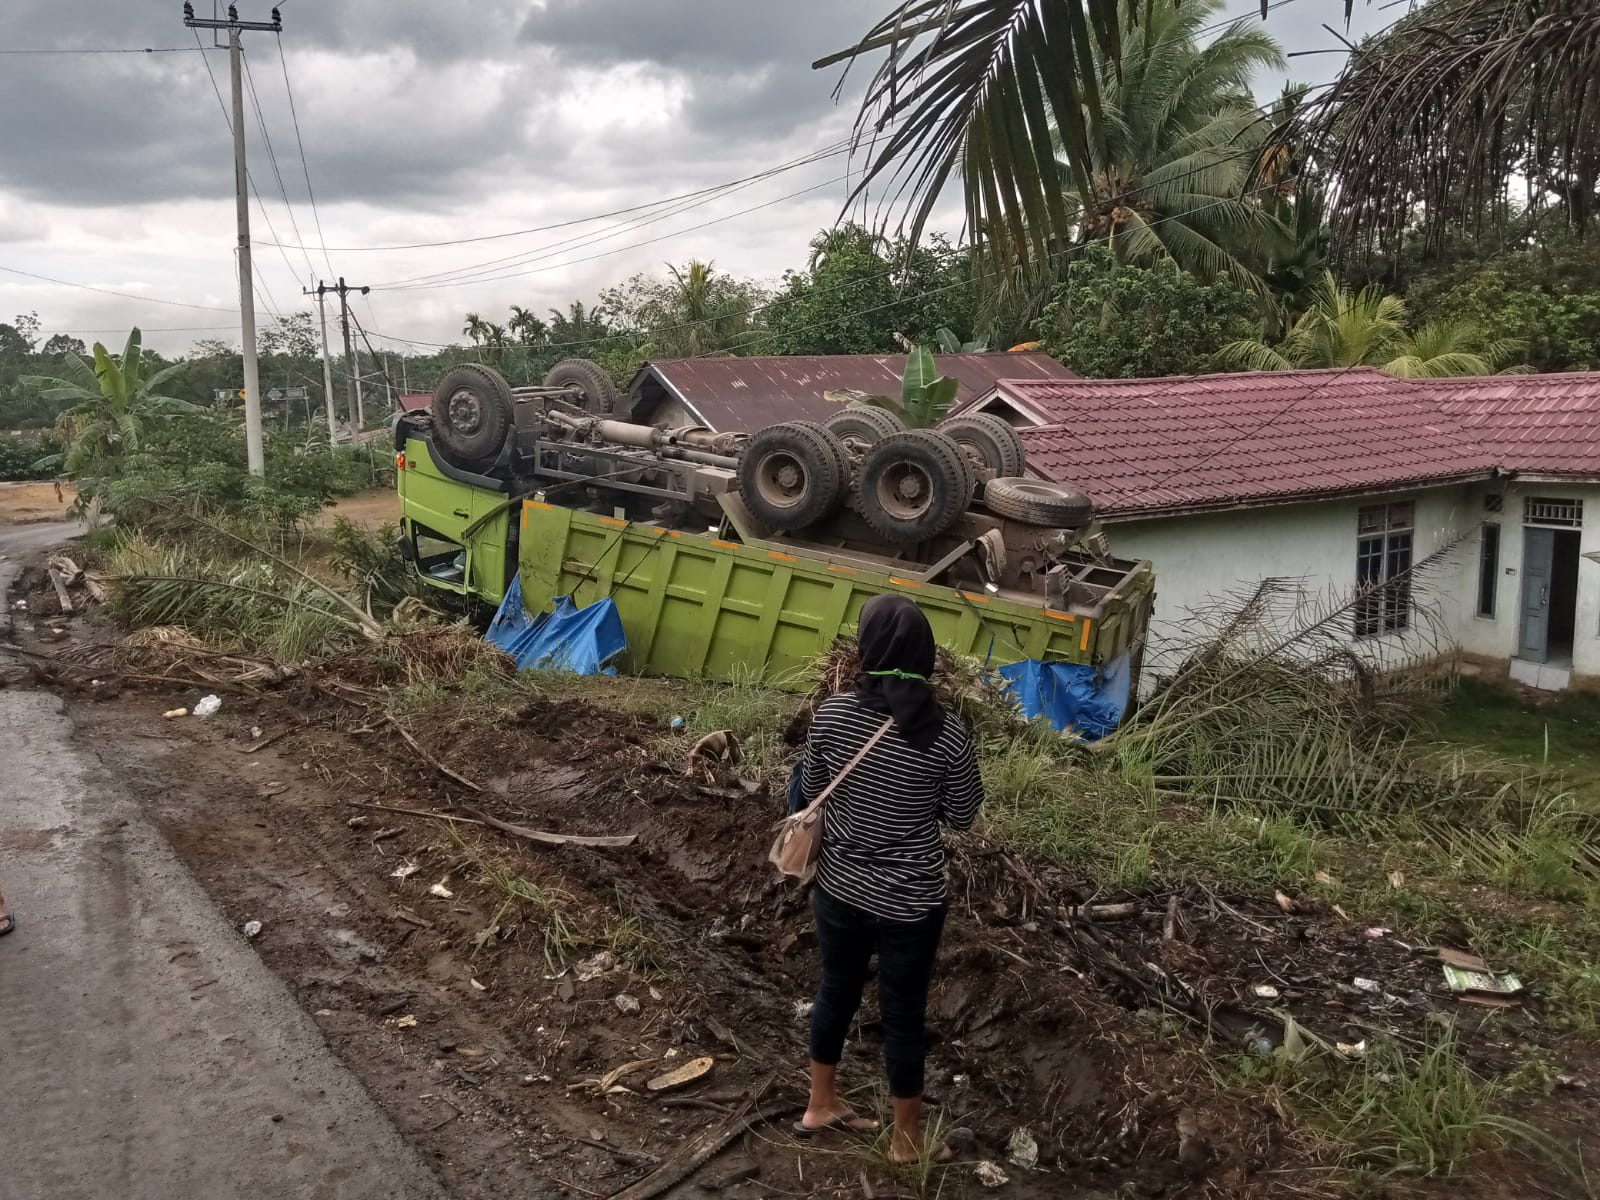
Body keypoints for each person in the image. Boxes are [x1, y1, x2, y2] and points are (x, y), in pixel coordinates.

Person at [795, 593, 983, 1165]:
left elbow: (805, 794)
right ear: (926, 657)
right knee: (902, 1016)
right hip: (910, 901)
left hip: (839, 889)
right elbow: (962, 815)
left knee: (835, 992)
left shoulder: (831, 715)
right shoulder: (946, 734)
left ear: (866, 649)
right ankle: (905, 1142)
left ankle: (820, 1104)